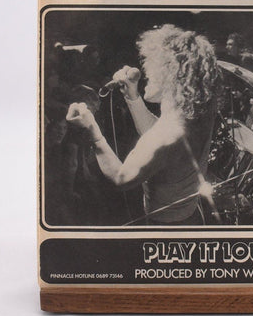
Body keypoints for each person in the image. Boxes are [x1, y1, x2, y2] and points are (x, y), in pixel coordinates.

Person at [66, 25, 218, 225]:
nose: (145, 73)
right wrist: (133, 97)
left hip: (164, 226)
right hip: (190, 213)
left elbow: (121, 178)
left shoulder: (165, 136)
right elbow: (163, 143)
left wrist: (92, 129)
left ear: (171, 76)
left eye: (152, 69)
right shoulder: (200, 110)